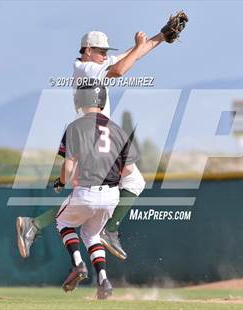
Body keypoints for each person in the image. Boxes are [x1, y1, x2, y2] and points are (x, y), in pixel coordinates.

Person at [16, 29, 166, 260]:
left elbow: (132, 56)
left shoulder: (96, 64)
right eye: (101, 51)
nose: (105, 55)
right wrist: (137, 47)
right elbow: (120, 69)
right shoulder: (86, 68)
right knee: (125, 185)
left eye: (107, 51)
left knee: (87, 201)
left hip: (96, 136)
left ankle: (34, 224)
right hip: (91, 138)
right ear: (87, 51)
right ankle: (109, 229)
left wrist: (162, 35)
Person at [57, 84, 138, 299]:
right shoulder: (118, 128)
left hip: (86, 190)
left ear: (82, 100)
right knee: (92, 235)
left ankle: (77, 265)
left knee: (63, 222)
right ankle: (103, 280)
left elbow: (68, 166)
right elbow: (128, 169)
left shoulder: (76, 127)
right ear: (101, 101)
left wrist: (60, 181)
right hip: (112, 194)